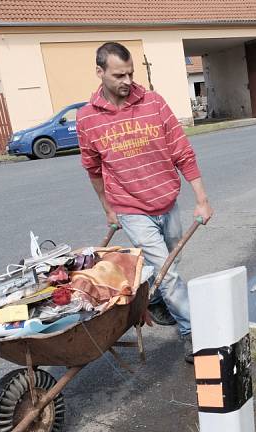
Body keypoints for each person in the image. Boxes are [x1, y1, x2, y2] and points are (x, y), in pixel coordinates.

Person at [77, 42, 213, 362]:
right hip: (131, 209)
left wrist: (202, 199)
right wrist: (109, 209)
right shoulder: (87, 119)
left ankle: (153, 296)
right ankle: (193, 333)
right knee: (168, 269)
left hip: (167, 202)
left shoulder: (154, 103)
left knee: (169, 266)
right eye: (118, 75)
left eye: (130, 74)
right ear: (100, 72)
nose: (126, 81)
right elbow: (93, 170)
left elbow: (182, 152)